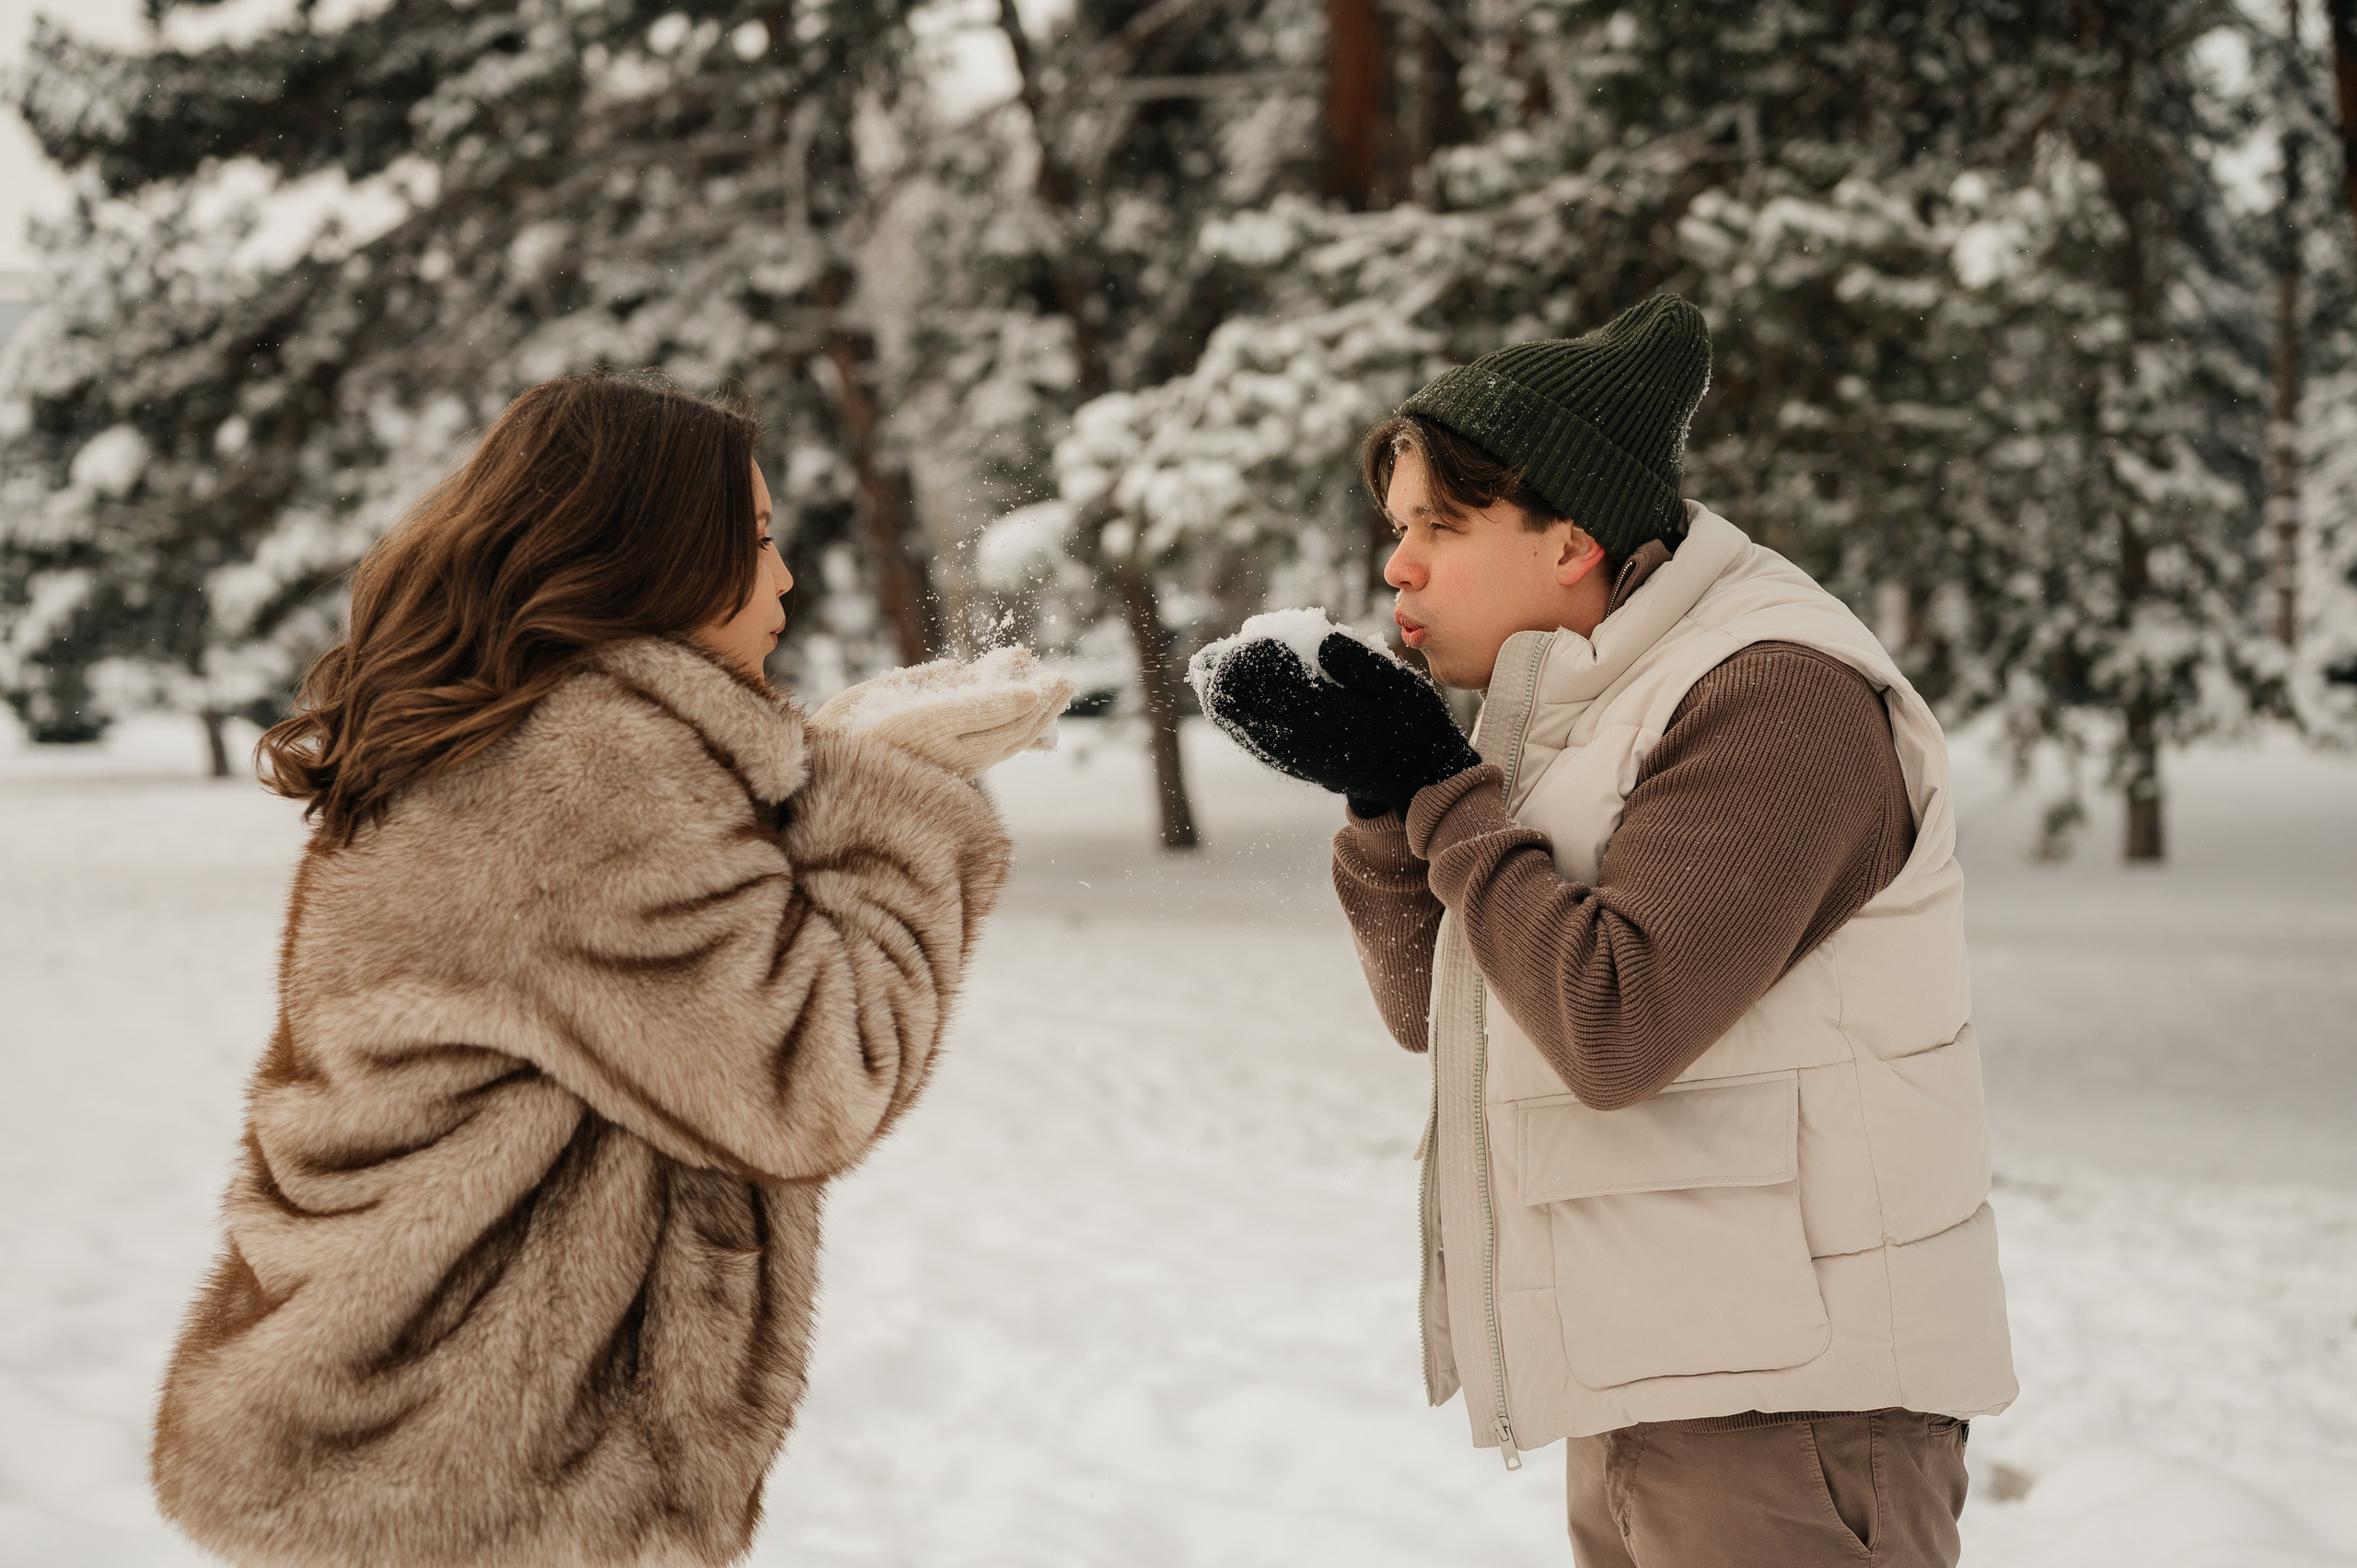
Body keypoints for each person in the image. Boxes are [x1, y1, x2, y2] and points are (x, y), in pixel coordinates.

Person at [150, 369, 1065, 1568]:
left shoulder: (516, 742)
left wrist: (828, 765)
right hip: (481, 1477)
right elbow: (815, 1074)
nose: (783, 577)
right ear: (654, 557)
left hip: (397, 1435)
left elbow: (674, 983)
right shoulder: (587, 771)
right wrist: (901, 804)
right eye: (753, 542)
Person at [1196, 296, 2016, 1567]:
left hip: (1791, 1419)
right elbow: (1439, 1002)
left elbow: (1613, 1022)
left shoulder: (1774, 695)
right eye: (1395, 529)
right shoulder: (1587, 701)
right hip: (1663, 1382)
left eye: (1439, 527)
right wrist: (1385, 797)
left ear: (1571, 541)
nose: (1397, 566)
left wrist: (1445, 791)